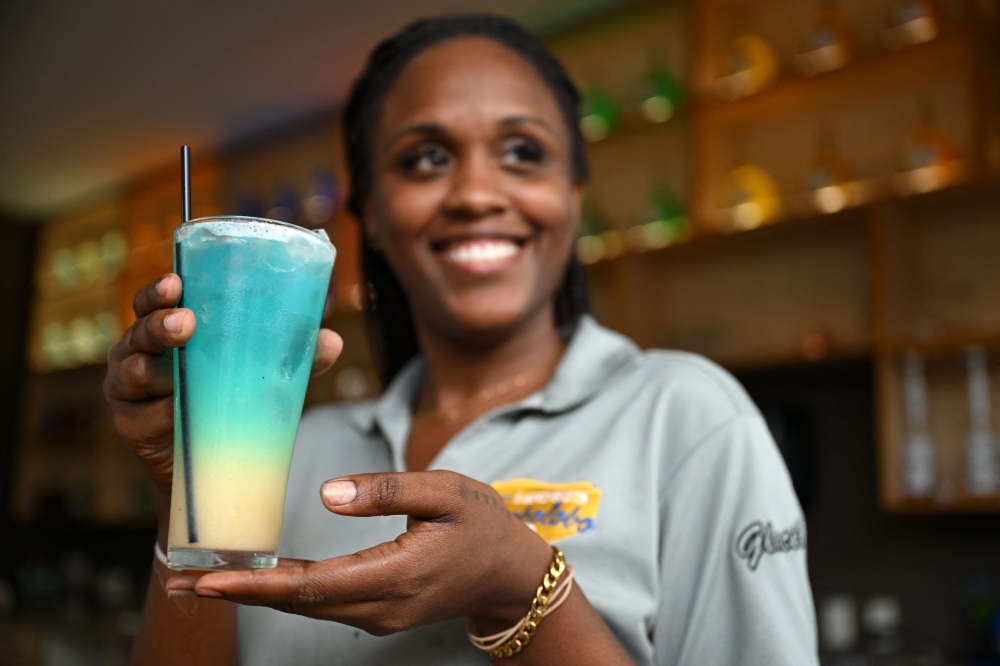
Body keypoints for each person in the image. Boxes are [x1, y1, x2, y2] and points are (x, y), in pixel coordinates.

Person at [103, 14, 818, 666]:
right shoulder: (291, 451)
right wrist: (185, 494)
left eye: (523, 151)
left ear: (574, 196)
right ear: (370, 213)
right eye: (425, 159)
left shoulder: (687, 416)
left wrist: (521, 589)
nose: (476, 193)